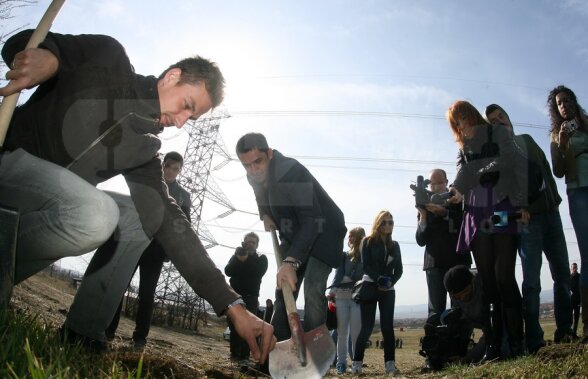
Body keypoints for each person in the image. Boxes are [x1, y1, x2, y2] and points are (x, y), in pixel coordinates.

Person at [0, 30, 274, 362]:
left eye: (192, 118)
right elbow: (20, 44)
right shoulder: (107, 58)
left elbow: (172, 225)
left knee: (138, 218)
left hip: (46, 204)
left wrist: (232, 305)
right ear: (172, 77)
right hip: (9, 164)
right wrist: (51, 58)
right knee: (97, 212)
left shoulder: (144, 151)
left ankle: (81, 335)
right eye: (186, 106)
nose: (181, 123)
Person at [236, 132, 347, 346]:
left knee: (313, 289)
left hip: (323, 230)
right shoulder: (252, 174)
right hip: (294, 231)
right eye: (246, 165)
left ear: (269, 153)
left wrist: (291, 261)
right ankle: (277, 352)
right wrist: (264, 213)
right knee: (283, 291)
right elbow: (259, 193)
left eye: (257, 162)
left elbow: (312, 220)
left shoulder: (290, 171)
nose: (253, 169)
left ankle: (314, 350)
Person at [485, 103, 574, 351]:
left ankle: (565, 332)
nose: (499, 120)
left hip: (552, 216)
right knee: (532, 283)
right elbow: (502, 190)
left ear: (509, 117)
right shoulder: (498, 156)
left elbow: (545, 172)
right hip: (528, 223)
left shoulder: (527, 140)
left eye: (501, 115)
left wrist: (555, 204)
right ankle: (534, 341)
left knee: (563, 277)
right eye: (493, 121)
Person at [446, 100, 528, 358]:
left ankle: (516, 343)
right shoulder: (463, 149)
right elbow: (460, 174)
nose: (460, 126)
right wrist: (456, 191)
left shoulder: (498, 133)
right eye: (455, 124)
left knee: (504, 276)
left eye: (462, 119)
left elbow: (512, 162)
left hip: (502, 210)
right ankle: (493, 346)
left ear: (471, 115)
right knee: (489, 283)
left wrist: (523, 202)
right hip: (476, 215)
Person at [105, 151, 192, 350]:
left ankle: (140, 338)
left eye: (175, 169)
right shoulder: (147, 183)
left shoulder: (182, 196)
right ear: (162, 165)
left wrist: (171, 250)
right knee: (119, 285)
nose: (170, 171)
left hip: (156, 250)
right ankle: (108, 329)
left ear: (180, 171)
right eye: (168, 166)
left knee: (147, 293)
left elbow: (183, 225)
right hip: (133, 240)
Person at [415, 168, 471, 371]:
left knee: (460, 310)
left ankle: (460, 353)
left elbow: (465, 226)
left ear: (447, 182)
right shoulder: (426, 204)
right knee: (435, 311)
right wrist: (423, 215)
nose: (436, 186)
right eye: (432, 183)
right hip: (434, 264)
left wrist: (444, 213)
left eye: (440, 183)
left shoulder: (457, 199)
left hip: (457, 262)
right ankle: (434, 357)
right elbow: (421, 240)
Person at [548, 85, 588, 342]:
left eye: (566, 100)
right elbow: (558, 171)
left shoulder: (586, 124)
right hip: (578, 192)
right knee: (587, 251)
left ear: (574, 101)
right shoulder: (555, 134)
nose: (564, 105)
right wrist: (562, 145)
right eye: (559, 103)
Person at [352, 210, 403, 375]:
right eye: (384, 222)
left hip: (388, 290)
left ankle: (390, 365)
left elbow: (399, 270)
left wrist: (389, 283)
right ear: (378, 224)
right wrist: (379, 280)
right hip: (369, 287)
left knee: (388, 328)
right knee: (366, 328)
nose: (388, 225)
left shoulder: (395, 245)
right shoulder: (367, 241)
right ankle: (357, 364)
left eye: (391, 222)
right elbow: (366, 265)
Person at [224, 232, 268, 365]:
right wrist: (238, 259)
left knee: (248, 327)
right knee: (233, 325)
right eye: (247, 242)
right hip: (234, 296)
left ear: (257, 244)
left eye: (253, 243)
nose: (250, 245)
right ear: (244, 242)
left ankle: (244, 356)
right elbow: (228, 271)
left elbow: (257, 273)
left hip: (250, 297)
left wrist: (245, 260)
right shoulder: (236, 256)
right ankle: (234, 353)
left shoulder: (261, 258)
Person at [443, 265, 498, 365]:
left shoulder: (486, 285)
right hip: (475, 319)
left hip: (499, 321)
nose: (463, 298)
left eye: (465, 293)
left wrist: (468, 358)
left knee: (502, 351)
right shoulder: (456, 297)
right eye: (458, 297)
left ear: (472, 281)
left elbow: (492, 330)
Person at [328, 226, 365, 374]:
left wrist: (349, 278)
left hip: (358, 297)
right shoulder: (344, 255)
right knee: (342, 333)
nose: (349, 239)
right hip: (341, 297)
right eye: (348, 236)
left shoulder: (366, 255)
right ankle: (341, 364)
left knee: (356, 333)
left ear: (359, 237)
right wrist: (332, 289)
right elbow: (339, 275)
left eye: (352, 236)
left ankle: (357, 364)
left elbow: (362, 276)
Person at [571, 263, 581, 337]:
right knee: (569, 317)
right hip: (570, 300)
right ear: (571, 268)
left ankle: (574, 333)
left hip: (578, 300)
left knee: (576, 317)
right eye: (573, 268)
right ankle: (569, 333)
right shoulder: (569, 277)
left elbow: (581, 289)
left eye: (575, 267)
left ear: (577, 268)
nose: (574, 269)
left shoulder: (579, 277)